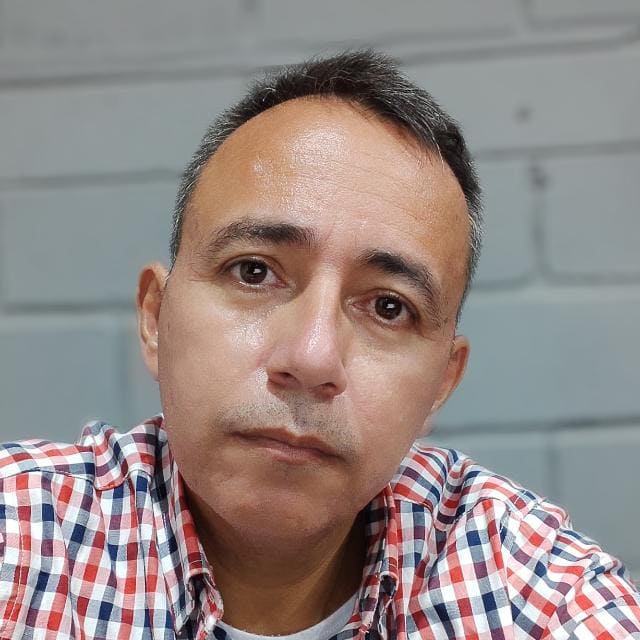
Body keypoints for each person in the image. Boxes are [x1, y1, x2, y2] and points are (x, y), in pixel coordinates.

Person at [0, 50, 638, 640]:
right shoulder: (22, 538)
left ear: (441, 386)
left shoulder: (531, 590)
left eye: (388, 307)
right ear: (155, 319)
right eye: (254, 272)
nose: (311, 358)